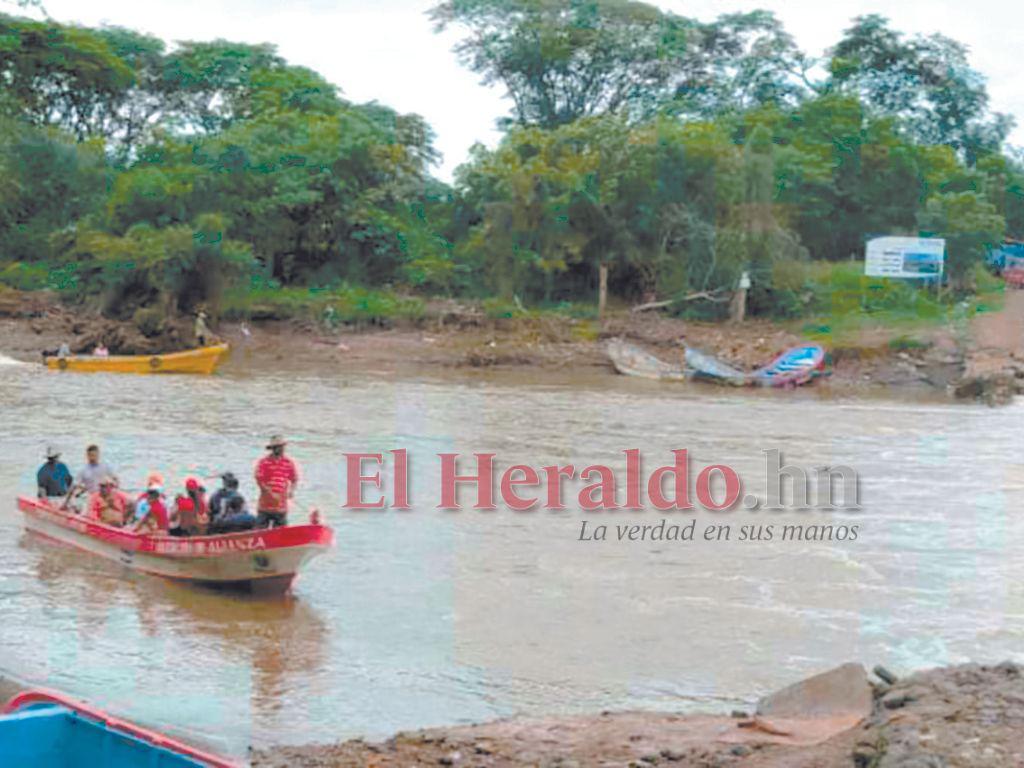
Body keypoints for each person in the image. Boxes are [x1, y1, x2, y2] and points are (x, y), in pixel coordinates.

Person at [254, 435, 298, 528]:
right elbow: (259, 480)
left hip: (281, 507)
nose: (282, 449)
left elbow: (294, 479)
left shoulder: (288, 462)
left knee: (281, 533)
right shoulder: (264, 462)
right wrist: (270, 493)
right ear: (274, 449)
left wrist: (291, 491)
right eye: (280, 447)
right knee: (260, 532)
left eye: (283, 447)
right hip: (265, 506)